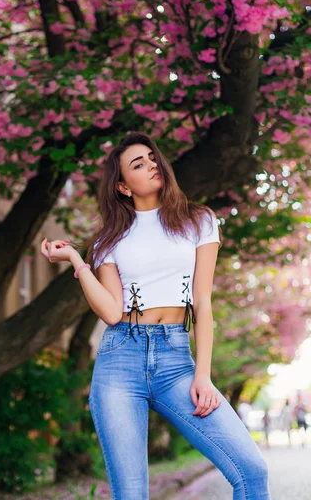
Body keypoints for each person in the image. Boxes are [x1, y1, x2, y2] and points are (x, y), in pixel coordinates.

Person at [40, 131, 270, 500]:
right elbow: (112, 312)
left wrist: (203, 375)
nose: (151, 165)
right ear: (123, 187)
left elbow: (203, 301)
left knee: (251, 471)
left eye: (151, 158)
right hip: (120, 363)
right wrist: (78, 261)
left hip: (176, 361)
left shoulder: (199, 221)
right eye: (138, 164)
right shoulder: (108, 241)